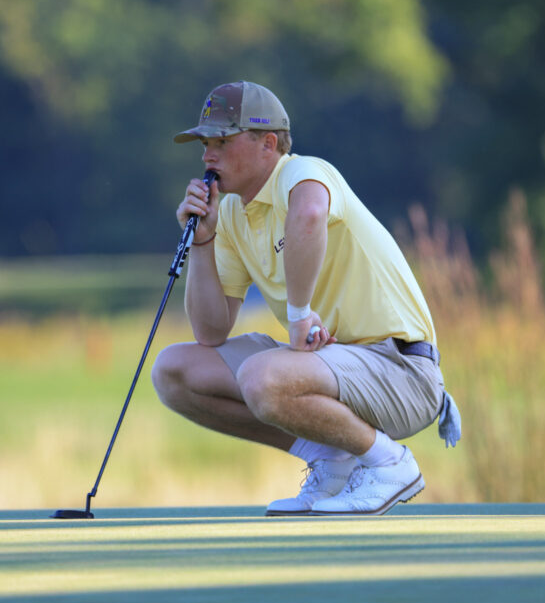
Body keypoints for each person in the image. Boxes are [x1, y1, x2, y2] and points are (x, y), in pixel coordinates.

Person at [151, 80, 460, 516]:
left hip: (403, 371)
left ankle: (389, 464)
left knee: (262, 377)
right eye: (204, 143)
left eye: (222, 140)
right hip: (334, 369)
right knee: (173, 372)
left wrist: (298, 315)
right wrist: (203, 242)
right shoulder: (234, 215)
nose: (207, 156)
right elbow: (210, 329)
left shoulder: (302, 172)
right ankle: (332, 458)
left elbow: (311, 213)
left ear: (268, 144)